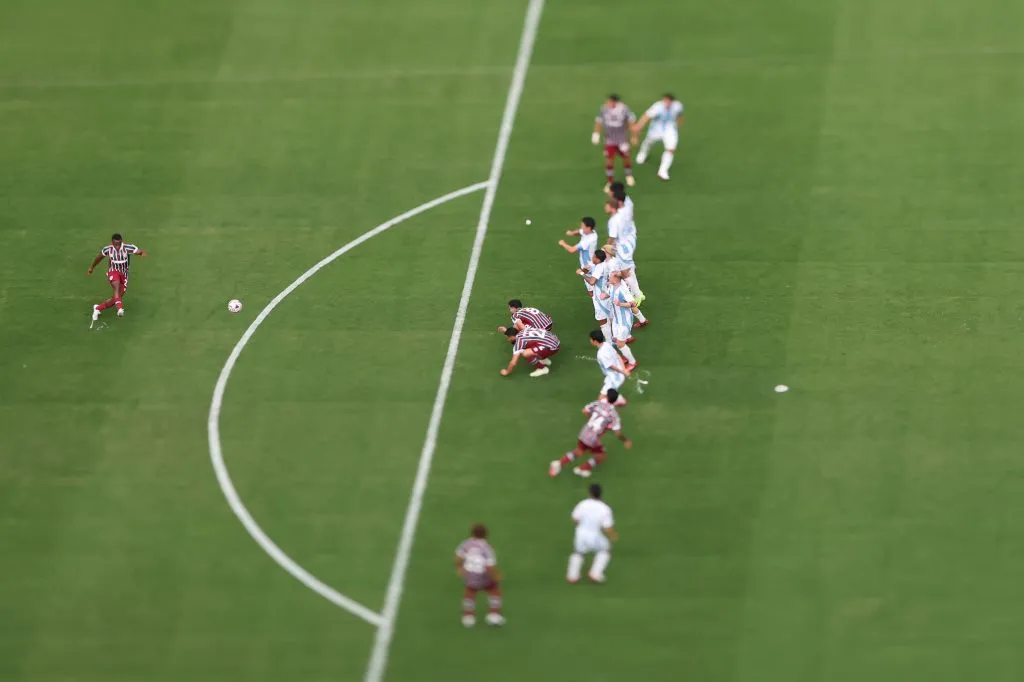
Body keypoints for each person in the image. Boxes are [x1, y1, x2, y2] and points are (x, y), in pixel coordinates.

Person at [549, 389, 632, 478]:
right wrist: (625, 441)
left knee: (579, 451)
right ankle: (580, 469)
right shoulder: (614, 415)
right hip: (593, 438)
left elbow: (585, 411)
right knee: (601, 456)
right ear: (615, 401)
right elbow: (618, 432)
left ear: (607, 396)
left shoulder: (597, 403)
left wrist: (591, 419)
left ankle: (559, 464)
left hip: (585, 431)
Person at [88, 233, 147, 323]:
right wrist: (92, 267)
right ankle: (119, 309)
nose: (117, 246)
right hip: (113, 271)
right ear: (112, 242)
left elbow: (139, 251)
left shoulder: (127, 248)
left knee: (117, 297)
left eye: (119, 244)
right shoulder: (107, 249)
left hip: (124, 274)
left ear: (121, 242)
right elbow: (99, 258)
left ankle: (97, 308)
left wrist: (142, 253)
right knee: (116, 286)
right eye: (116, 244)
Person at [454, 524, 505, 627]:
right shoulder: (486, 547)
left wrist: (459, 568)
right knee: (494, 591)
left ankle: (468, 617)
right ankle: (494, 615)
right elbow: (489, 565)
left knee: (470, 592)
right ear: (486, 534)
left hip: (470, 573)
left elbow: (458, 557)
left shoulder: (466, 544)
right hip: (483, 574)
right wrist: (495, 575)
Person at [567, 484, 618, 583]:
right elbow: (607, 527)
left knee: (578, 552)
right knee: (605, 550)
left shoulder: (582, 504)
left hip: (580, 533)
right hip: (594, 535)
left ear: (589, 493)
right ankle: (595, 573)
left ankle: (572, 576)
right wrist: (613, 536)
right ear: (601, 494)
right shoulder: (604, 508)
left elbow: (575, 519)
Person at [632, 93, 684, 181]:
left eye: (668, 101)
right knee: (649, 142)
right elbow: (646, 117)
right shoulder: (657, 107)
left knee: (671, 149)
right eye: (665, 101)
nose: (666, 103)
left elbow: (680, 114)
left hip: (669, 129)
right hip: (656, 129)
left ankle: (663, 171)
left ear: (672, 102)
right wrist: (639, 127)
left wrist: (679, 122)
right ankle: (643, 153)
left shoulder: (677, 106)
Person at [592, 94, 637, 190]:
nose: (607, 103)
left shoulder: (624, 109)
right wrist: (596, 134)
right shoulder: (604, 109)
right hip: (609, 139)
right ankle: (610, 182)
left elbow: (631, 121)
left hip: (622, 139)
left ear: (615, 102)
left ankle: (628, 175)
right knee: (609, 160)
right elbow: (599, 121)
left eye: (609, 101)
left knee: (626, 157)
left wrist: (633, 136)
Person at [578, 250, 615, 344]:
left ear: (598, 259)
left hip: (600, 298)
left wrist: (581, 274)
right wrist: (585, 270)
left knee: (602, 320)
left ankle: (609, 342)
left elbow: (592, 282)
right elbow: (588, 269)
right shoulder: (604, 264)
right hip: (607, 294)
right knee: (610, 315)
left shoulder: (599, 267)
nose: (592, 258)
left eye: (594, 257)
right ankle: (614, 336)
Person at [558, 217, 599, 297]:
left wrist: (563, 244)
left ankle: (601, 305)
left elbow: (572, 250)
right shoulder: (591, 232)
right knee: (591, 289)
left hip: (589, 267)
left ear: (588, 228)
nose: (581, 228)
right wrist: (571, 233)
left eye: (583, 226)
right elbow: (580, 232)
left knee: (592, 290)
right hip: (589, 265)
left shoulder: (588, 241)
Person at [608, 271, 638, 370]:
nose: (609, 277)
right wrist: (605, 295)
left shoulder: (622, 290)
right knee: (617, 341)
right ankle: (625, 355)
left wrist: (620, 304)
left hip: (624, 321)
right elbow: (610, 295)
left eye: (610, 276)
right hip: (616, 320)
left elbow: (633, 304)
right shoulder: (612, 286)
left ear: (616, 279)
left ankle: (632, 362)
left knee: (620, 344)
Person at [589, 329, 629, 404]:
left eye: (591, 339)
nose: (590, 341)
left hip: (614, 378)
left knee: (601, 399)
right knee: (608, 389)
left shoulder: (601, 354)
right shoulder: (607, 344)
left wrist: (623, 372)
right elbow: (618, 356)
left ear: (595, 341)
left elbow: (611, 366)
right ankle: (615, 396)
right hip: (617, 375)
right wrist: (624, 370)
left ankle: (619, 400)